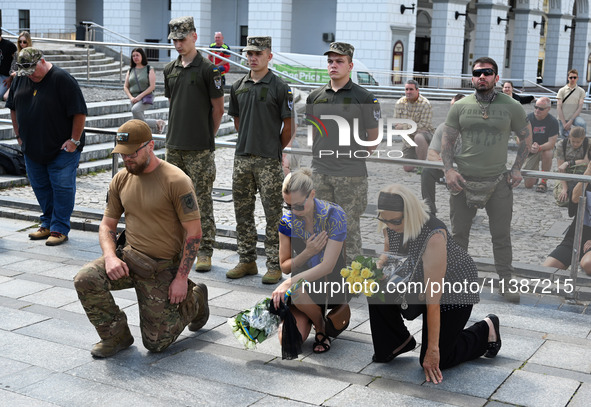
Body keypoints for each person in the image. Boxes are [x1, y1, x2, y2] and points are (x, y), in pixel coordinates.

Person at [73, 119, 210, 358]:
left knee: (156, 344)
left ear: (150, 146)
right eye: (122, 154)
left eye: (132, 153)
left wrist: (181, 278)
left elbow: (194, 233)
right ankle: (116, 336)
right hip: (128, 258)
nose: (127, 159)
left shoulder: (176, 181)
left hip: (162, 267)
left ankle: (196, 299)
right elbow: (107, 225)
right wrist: (110, 257)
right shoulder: (120, 179)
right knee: (85, 279)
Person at [368, 185, 501, 384]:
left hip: (455, 287)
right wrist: (377, 269)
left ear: (410, 214)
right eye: (383, 220)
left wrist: (433, 349)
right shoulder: (392, 222)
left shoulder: (434, 236)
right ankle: (396, 342)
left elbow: (434, 299)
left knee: (438, 360)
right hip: (417, 278)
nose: (389, 225)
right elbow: (389, 252)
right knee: (374, 286)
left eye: (394, 221)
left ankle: (485, 329)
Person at [442, 56, 532, 303]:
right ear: (472, 77)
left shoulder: (511, 106)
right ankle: (457, 282)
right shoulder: (460, 106)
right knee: (459, 235)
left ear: (496, 77)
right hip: (463, 181)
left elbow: (526, 137)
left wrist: (516, 169)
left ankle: (506, 282)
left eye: (487, 72)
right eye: (478, 72)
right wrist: (448, 170)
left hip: (498, 182)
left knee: (501, 235)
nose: (482, 76)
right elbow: (447, 140)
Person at [227, 36, 295, 284]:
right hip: (242, 158)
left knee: (273, 214)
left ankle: (275, 264)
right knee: (242, 212)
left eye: (258, 53)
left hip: (268, 160)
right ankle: (246, 260)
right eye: (249, 54)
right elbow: (237, 122)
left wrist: (274, 148)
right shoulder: (238, 86)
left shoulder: (280, 86)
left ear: (269, 55)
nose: (253, 58)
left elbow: (289, 126)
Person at [308, 42, 381, 263]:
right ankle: (324, 273)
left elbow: (373, 138)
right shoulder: (315, 96)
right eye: (330, 61)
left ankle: (352, 278)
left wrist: (352, 158)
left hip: (351, 175)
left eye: (339, 61)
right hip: (320, 172)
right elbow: (315, 132)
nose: (333, 65)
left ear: (350, 65)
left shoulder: (366, 98)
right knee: (320, 227)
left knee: (348, 229)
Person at [6, 47, 87, 246]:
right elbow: (14, 108)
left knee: (62, 188)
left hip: (62, 148)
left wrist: (74, 141)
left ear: (42, 61)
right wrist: (18, 135)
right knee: (40, 187)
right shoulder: (21, 78)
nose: (31, 76)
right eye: (26, 72)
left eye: (33, 70)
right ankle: (48, 223)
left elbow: (79, 113)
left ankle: (59, 228)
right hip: (32, 148)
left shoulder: (62, 79)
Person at [164, 16, 225, 272]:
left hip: (199, 149)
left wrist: (205, 136)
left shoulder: (209, 70)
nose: (178, 44)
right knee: (173, 200)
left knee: (201, 201)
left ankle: (204, 251)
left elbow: (218, 110)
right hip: (174, 146)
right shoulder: (169, 70)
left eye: (182, 39)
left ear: (195, 37)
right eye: (175, 40)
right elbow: (173, 104)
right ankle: (176, 248)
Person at [271, 168, 348, 353]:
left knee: (295, 289)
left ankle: (322, 329)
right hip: (302, 289)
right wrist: (307, 252)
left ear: (312, 194)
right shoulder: (287, 220)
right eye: (288, 206)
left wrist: (288, 283)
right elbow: (285, 265)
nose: (293, 211)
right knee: (287, 341)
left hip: (330, 283)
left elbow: (328, 266)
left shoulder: (334, 215)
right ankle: (317, 320)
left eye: (298, 206)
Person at [544, 161, 591, 276]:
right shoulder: (586, 177)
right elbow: (574, 199)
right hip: (576, 235)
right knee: (548, 269)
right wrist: (588, 172)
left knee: (588, 264)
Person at [421, 93, 465, 215]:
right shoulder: (443, 127)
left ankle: (467, 207)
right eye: (452, 107)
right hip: (447, 168)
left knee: (460, 215)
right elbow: (431, 153)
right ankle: (429, 210)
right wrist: (447, 169)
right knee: (427, 171)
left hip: (466, 171)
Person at [395, 79, 435, 172]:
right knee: (407, 168)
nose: (408, 92)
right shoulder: (399, 103)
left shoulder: (425, 104)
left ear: (417, 90)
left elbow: (424, 125)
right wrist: (412, 127)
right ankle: (418, 155)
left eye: (411, 89)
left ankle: (422, 165)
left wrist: (404, 126)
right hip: (408, 138)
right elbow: (396, 125)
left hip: (425, 134)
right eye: (406, 89)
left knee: (419, 137)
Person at [123, 47, 165, 134]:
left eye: (137, 55)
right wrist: (131, 98)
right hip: (133, 98)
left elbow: (152, 86)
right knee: (137, 120)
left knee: (135, 110)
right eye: (133, 56)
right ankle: (156, 124)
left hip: (145, 97)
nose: (135, 57)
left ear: (142, 56)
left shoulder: (149, 69)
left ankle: (155, 124)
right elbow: (126, 87)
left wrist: (139, 97)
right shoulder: (130, 70)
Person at [522, 97, 559, 192]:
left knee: (548, 153)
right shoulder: (528, 118)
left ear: (548, 109)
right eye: (536, 107)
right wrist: (529, 147)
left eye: (541, 109)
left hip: (543, 148)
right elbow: (519, 139)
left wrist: (539, 148)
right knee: (528, 185)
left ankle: (543, 181)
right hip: (530, 149)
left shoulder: (553, 121)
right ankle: (536, 176)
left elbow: (551, 143)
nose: (537, 110)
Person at [554, 126, 590, 206]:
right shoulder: (561, 144)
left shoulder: (588, 144)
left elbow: (586, 162)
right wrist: (564, 188)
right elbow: (561, 168)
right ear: (569, 137)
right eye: (573, 141)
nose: (575, 144)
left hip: (583, 175)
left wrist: (568, 163)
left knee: (583, 199)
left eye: (578, 142)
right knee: (564, 201)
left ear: (583, 139)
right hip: (566, 175)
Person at [557, 69, 586, 139]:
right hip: (563, 117)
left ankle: (583, 142)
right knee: (564, 138)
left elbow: (580, 107)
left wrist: (571, 121)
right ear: (568, 78)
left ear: (577, 78)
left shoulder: (581, 91)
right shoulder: (562, 90)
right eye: (571, 77)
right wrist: (564, 123)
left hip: (575, 117)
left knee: (582, 124)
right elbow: (558, 107)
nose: (573, 79)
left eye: (574, 77)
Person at [3, 31, 30, 101]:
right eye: (20, 42)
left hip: (28, 80)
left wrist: (17, 73)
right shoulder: (17, 54)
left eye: (24, 42)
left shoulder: (31, 54)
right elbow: (12, 68)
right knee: (6, 97)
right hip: (16, 80)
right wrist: (13, 73)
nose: (22, 44)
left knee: (15, 98)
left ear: (28, 42)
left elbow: (30, 70)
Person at [0, 30, 17, 100]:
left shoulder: (9, 45)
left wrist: (11, 78)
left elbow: (16, 62)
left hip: (6, 76)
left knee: (0, 95)